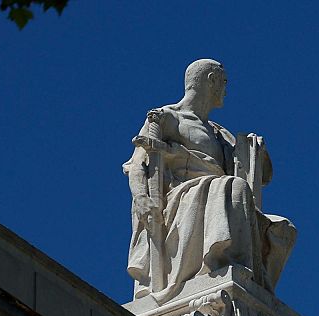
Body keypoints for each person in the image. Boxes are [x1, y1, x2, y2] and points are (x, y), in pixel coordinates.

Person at [125, 59, 296, 303]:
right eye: (224, 82)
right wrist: (142, 198)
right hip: (183, 198)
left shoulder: (219, 133)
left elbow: (264, 177)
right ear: (211, 80)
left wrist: (255, 153)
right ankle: (223, 264)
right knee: (233, 187)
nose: (226, 90)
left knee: (282, 229)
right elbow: (138, 165)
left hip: (221, 197)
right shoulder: (168, 118)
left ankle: (257, 288)